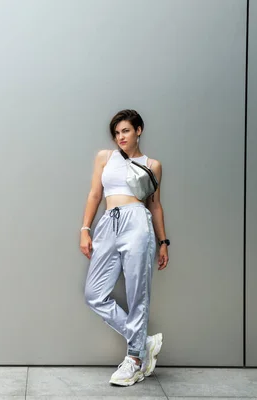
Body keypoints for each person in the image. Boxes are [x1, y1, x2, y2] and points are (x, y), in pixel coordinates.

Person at [80, 109, 169, 386]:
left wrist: (163, 242)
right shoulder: (105, 158)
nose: (121, 137)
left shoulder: (152, 164)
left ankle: (134, 360)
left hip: (137, 223)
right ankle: (143, 342)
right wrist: (85, 228)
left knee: (136, 293)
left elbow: (154, 205)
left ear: (138, 130)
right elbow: (95, 193)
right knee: (94, 293)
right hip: (108, 223)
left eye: (126, 131)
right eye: (117, 133)